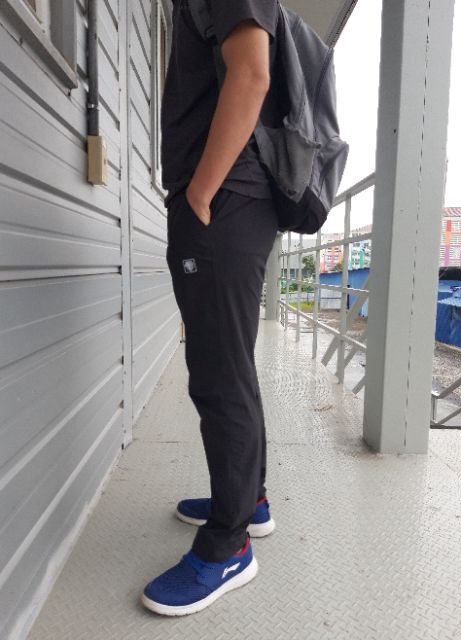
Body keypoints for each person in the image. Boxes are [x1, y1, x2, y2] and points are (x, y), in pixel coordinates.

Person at [141, 0, 280, 616]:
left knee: (218, 375)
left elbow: (251, 72)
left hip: (220, 200)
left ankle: (229, 546)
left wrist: (200, 191)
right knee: (231, 367)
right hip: (231, 202)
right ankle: (249, 502)